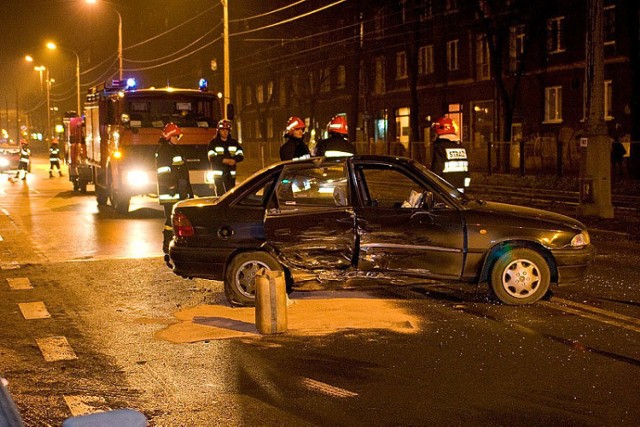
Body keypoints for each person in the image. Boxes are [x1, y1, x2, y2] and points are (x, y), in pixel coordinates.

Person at [155, 123, 193, 258]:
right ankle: (167, 244)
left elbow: (183, 172)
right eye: (176, 136)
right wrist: (170, 185)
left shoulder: (175, 150)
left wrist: (188, 191)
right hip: (170, 192)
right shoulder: (164, 151)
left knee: (178, 220)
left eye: (178, 136)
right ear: (169, 136)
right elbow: (163, 171)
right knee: (170, 220)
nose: (178, 138)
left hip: (180, 190)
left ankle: (177, 243)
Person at [430, 116, 469, 192]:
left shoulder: (440, 148)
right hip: (460, 188)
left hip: (445, 189)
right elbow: (467, 170)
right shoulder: (461, 148)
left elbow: (436, 171)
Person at [207, 119, 244, 195]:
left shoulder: (233, 143)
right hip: (218, 175)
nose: (225, 132)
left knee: (231, 194)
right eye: (223, 130)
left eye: (227, 130)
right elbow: (211, 157)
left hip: (230, 174)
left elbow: (240, 154)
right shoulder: (213, 143)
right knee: (220, 194)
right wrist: (224, 160)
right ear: (219, 131)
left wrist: (234, 160)